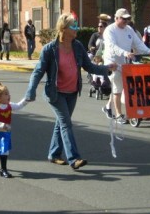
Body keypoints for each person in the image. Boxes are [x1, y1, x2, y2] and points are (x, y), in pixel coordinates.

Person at [25, 12, 117, 169]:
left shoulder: (77, 46)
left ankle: (54, 154)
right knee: (66, 123)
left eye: (77, 26)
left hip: (72, 92)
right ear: (63, 28)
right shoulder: (50, 49)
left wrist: (106, 69)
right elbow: (38, 71)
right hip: (55, 93)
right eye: (73, 26)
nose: (77, 29)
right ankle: (74, 158)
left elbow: (89, 66)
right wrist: (30, 91)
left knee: (60, 123)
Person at [102, 8, 150, 123]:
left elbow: (138, 43)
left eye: (127, 19)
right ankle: (118, 115)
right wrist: (125, 53)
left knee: (122, 88)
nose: (126, 21)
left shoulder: (129, 29)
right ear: (116, 18)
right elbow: (112, 47)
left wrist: (148, 51)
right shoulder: (109, 30)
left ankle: (108, 107)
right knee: (117, 87)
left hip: (125, 63)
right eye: (123, 19)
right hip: (113, 62)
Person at [0, 82, 31, 178]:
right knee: (2, 150)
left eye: (8, 93)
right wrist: (2, 125)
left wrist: (26, 100)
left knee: (5, 150)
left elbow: (19, 106)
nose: (9, 95)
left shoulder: (9, 105)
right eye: (6, 94)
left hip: (6, 132)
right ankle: (2, 169)